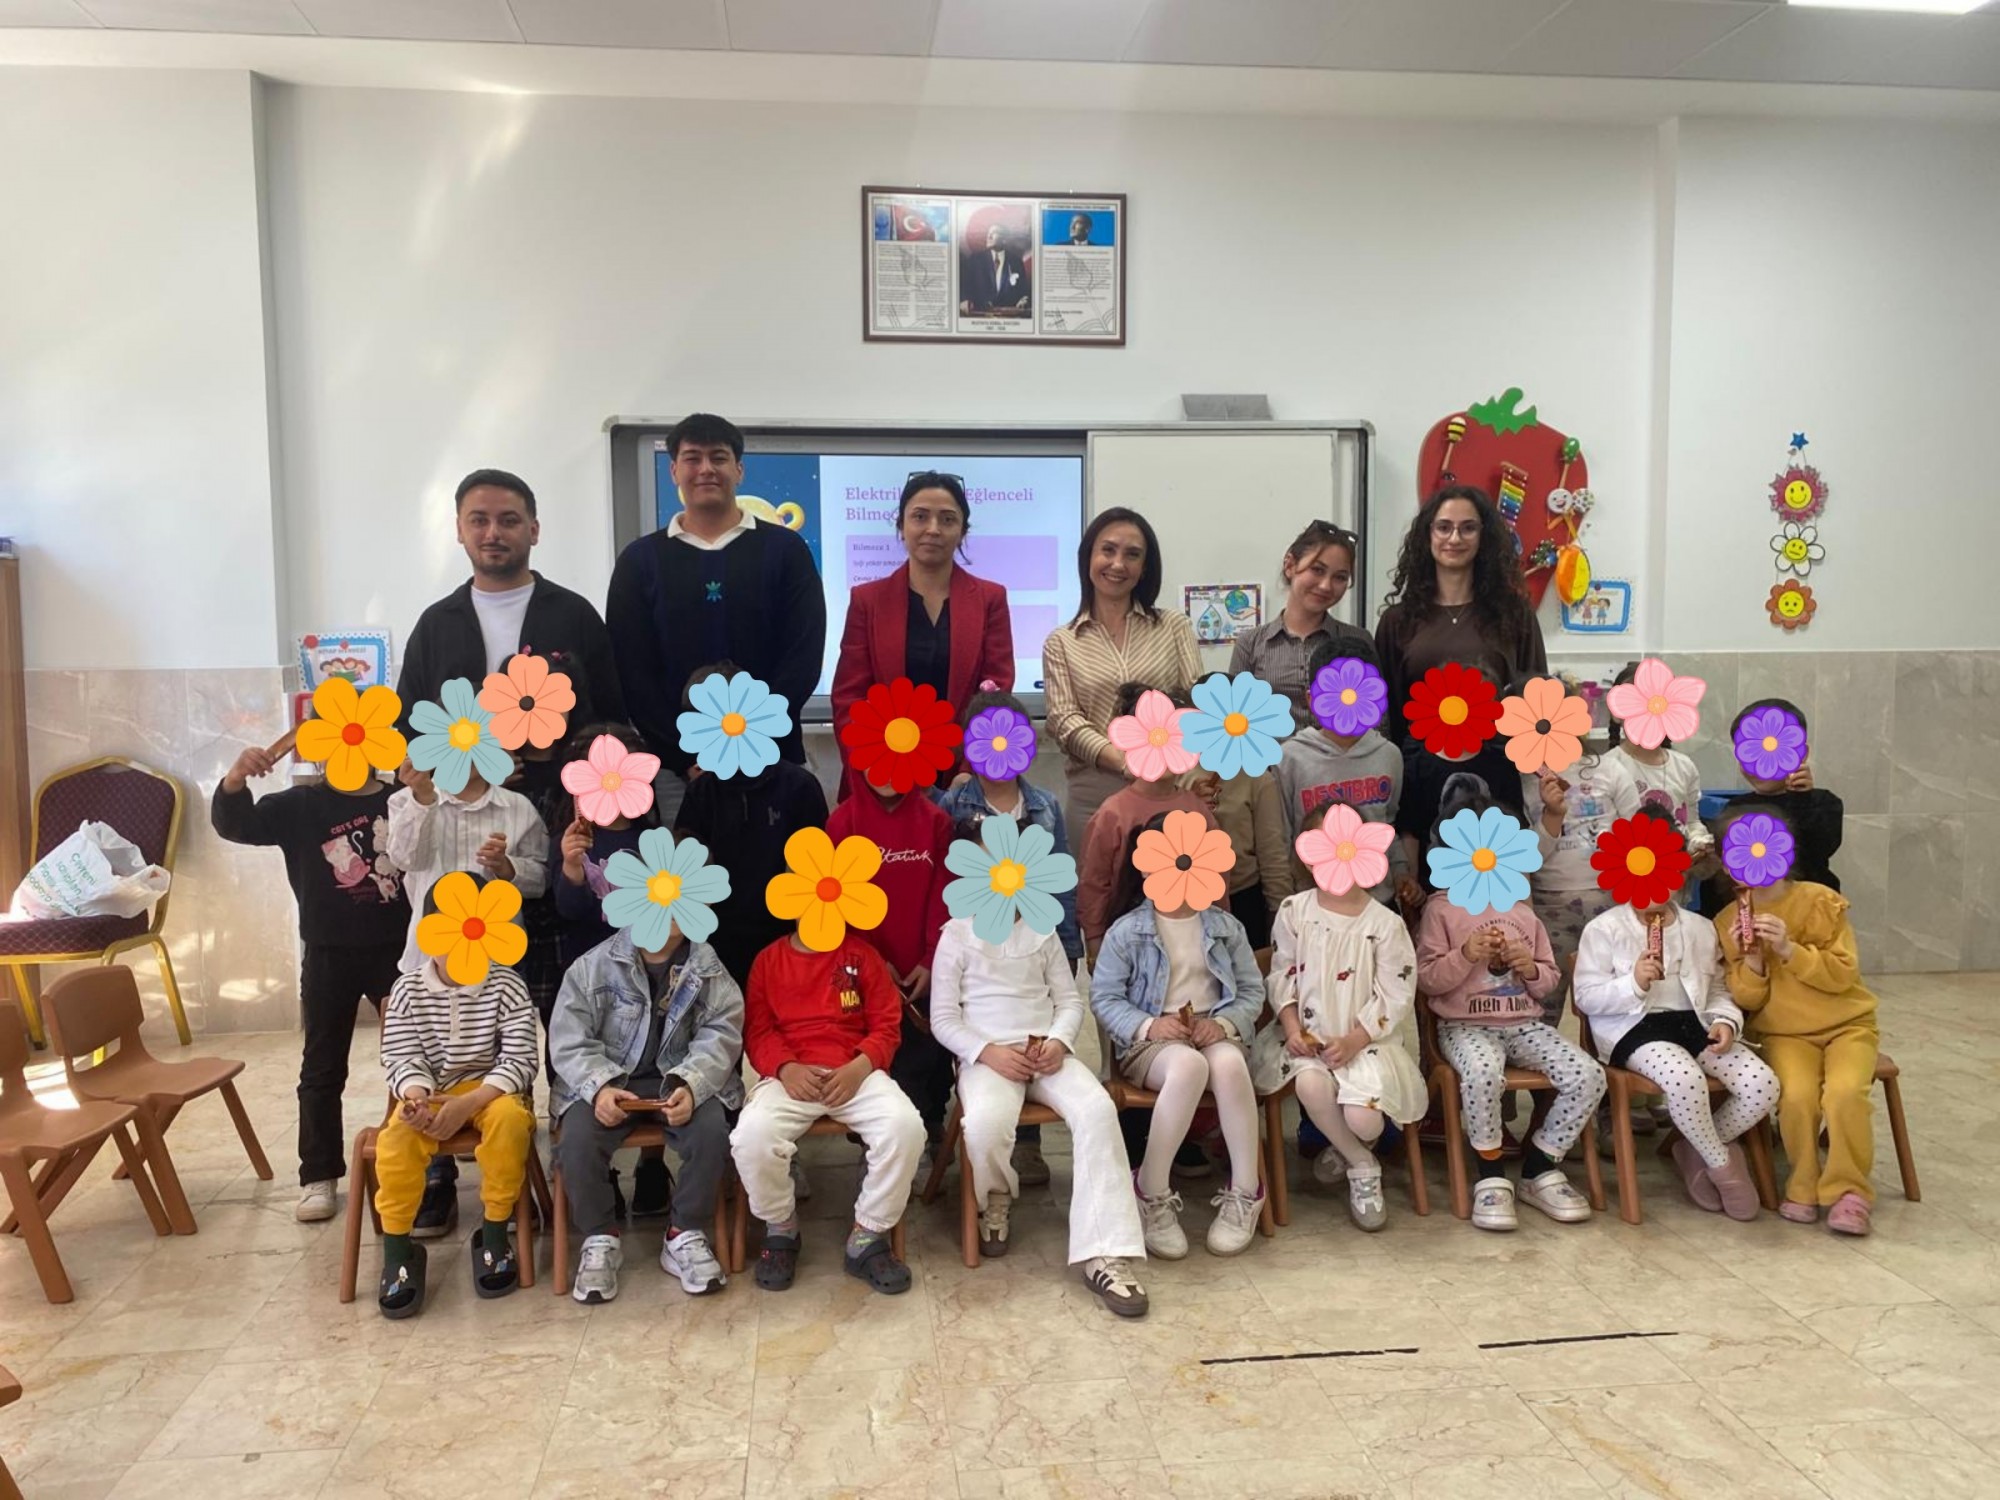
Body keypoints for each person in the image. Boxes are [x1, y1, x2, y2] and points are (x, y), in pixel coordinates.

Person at [396, 467, 624, 1031]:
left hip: (563, 810)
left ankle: (571, 1078)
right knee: (484, 984)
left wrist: (564, 769)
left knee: (566, 979)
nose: (493, 533)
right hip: (473, 822)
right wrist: (475, 766)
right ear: (459, 530)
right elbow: (413, 726)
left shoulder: (573, 614)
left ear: (534, 529)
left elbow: (609, 717)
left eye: (508, 520)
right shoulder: (436, 625)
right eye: (479, 520)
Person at [928, 868, 1150, 1317]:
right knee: (985, 1124)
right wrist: (986, 1052)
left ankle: (1106, 1251)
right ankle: (996, 1195)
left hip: (1045, 1054)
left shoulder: (1042, 929)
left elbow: (1069, 1001)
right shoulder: (956, 935)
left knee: (1097, 1110)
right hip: (989, 1059)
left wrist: (1058, 1042)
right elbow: (944, 1018)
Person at [211, 737, 408, 1224]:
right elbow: (236, 824)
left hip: (399, 953)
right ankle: (318, 1175)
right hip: (327, 954)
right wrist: (235, 779)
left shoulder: (401, 799)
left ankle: (420, 1158)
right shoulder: (299, 804)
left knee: (414, 1059)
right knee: (322, 1067)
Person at [607, 413, 826, 820]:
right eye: (692, 458)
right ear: (674, 470)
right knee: (682, 863)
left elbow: (803, 657)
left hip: (774, 761)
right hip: (679, 772)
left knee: (781, 863)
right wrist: (687, 755)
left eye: (719, 457)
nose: (706, 469)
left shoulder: (785, 550)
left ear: (739, 470)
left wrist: (748, 741)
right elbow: (633, 673)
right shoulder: (640, 561)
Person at [383, 748, 547, 1238]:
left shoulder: (516, 807)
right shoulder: (410, 799)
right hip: (430, 960)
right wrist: (422, 797)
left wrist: (506, 868)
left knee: (505, 1060)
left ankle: (510, 1184)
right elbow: (403, 860)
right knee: (430, 1056)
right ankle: (437, 1178)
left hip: (497, 957)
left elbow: (539, 879)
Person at [1090, 815, 1267, 1259]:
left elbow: (1252, 991)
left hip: (1214, 1029)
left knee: (1229, 1064)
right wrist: (1150, 1026)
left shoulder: (1225, 927)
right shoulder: (1128, 931)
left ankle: (1246, 1190)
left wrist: (1223, 1025)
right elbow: (1104, 998)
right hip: (1152, 1040)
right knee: (1188, 1066)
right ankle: (1151, 1189)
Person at [548, 912, 742, 1304]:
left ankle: (684, 1232)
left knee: (711, 1132)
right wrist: (599, 1088)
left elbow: (721, 1034)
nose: (668, 913)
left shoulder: (708, 968)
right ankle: (600, 1236)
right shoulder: (591, 966)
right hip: (610, 1082)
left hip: (677, 1080)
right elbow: (569, 1040)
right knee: (577, 1141)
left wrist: (691, 1084)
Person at [934, 688, 1082, 1188]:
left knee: (1034, 1022)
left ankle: (1028, 1143)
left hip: (1031, 935)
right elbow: (945, 875)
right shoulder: (954, 803)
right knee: (984, 1025)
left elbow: (1060, 879)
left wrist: (1067, 943)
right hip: (975, 940)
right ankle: (979, 1124)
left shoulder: (1044, 806)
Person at [1415, 843, 1604, 1234]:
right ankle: (1491, 1174)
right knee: (1483, 1073)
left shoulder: (1522, 911)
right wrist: (1465, 955)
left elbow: (1548, 982)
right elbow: (1427, 980)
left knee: (1588, 1074)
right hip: (1464, 1025)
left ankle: (1540, 1166)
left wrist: (1530, 969)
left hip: (1524, 1025)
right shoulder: (1441, 910)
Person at [730, 923, 925, 1295]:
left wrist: (861, 1066)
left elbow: (887, 1025)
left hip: (855, 1071)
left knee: (905, 1128)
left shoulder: (863, 955)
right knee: (752, 1137)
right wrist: (785, 1068)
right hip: (791, 1075)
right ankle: (781, 1227)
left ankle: (868, 1234)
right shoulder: (769, 960)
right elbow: (758, 1031)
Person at [372, 880, 538, 1318]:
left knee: (509, 1123)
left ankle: (495, 1230)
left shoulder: (508, 986)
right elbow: (402, 1056)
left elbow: (520, 1059)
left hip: (492, 1092)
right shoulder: (408, 990)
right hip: (429, 1094)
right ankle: (398, 1248)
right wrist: (416, 1100)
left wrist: (471, 1102)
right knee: (396, 1141)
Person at [1713, 804, 1879, 1234]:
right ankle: (1803, 1184)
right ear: (1727, 864)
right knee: (1797, 1098)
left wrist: (1790, 950)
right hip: (1784, 1035)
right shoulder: (1728, 921)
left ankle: (1849, 1192)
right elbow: (1747, 999)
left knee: (1844, 1094)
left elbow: (1843, 975)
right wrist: (1753, 961)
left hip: (1848, 1026)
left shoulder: (1820, 900)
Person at [1575, 880, 1779, 1222]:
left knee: (1762, 1084)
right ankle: (1722, 1166)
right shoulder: (1604, 928)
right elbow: (1586, 997)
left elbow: (1718, 988)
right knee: (1685, 1079)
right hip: (1633, 1027)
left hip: (1695, 1022)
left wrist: (1725, 1021)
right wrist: (1633, 983)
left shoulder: (1700, 927)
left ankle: (1694, 1148)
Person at [1266, 804, 1429, 1233]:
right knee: (1309, 1083)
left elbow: (1396, 993)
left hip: (1366, 1041)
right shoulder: (1295, 911)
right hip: (1310, 1038)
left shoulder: (1385, 924)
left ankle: (1351, 1143)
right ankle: (1362, 1165)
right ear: (1308, 856)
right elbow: (1282, 975)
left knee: (1363, 1118)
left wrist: (1356, 1039)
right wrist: (1291, 1028)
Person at [830, 472, 1014, 781]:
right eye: (920, 516)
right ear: (901, 526)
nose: (933, 529)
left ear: (962, 531)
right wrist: (874, 769)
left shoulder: (990, 599)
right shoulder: (867, 600)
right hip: (884, 776)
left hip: (962, 776)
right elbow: (849, 698)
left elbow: (997, 694)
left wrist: (971, 772)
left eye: (947, 519)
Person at [672, 661, 831, 992]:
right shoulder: (701, 793)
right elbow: (687, 880)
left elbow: (817, 877)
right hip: (717, 950)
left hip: (786, 947)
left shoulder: (799, 787)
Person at [1043, 507, 1201, 836]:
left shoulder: (1175, 627)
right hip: (1093, 796)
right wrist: (1128, 763)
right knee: (1094, 873)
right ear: (1088, 557)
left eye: (1132, 555)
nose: (1118, 564)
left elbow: (1195, 701)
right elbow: (1064, 720)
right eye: (1108, 550)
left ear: (1144, 568)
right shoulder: (1061, 642)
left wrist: (1162, 765)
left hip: (1168, 790)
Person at [825, 765, 953, 1150]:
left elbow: (943, 894)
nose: (885, 770)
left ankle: (929, 1124)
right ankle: (875, 1143)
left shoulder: (936, 821)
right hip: (864, 966)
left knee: (926, 1051)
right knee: (872, 1049)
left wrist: (930, 958)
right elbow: (838, 901)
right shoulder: (842, 823)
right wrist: (871, 961)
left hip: (923, 968)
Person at [1374, 486, 1547, 748]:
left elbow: (1537, 699)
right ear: (1428, 535)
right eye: (1444, 527)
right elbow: (1387, 714)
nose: (1454, 538)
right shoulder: (1397, 621)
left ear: (1483, 536)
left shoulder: (1515, 615)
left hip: (1498, 763)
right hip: (1417, 764)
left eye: (1468, 528)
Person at [1277, 636, 1417, 909]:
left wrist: (1401, 873)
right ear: (1312, 698)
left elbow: (1388, 824)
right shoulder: (1290, 759)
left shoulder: (1389, 755)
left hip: (1378, 903)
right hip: (1314, 906)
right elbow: (1283, 837)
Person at [1075, 684, 1218, 947]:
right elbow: (1094, 883)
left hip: (1193, 937)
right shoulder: (1113, 814)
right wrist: (1094, 939)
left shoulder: (1197, 809)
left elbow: (1217, 875)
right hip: (1128, 943)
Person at [1230, 521, 1372, 733]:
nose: (1326, 585)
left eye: (1340, 577)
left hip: (1346, 755)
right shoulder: (1250, 644)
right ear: (1290, 566)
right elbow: (1235, 725)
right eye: (1317, 570)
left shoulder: (1358, 640)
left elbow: (1377, 722)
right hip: (1272, 755)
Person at [1195, 671, 1293, 950]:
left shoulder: (1257, 777)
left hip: (1243, 897)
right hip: (1189, 898)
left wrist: (1279, 913)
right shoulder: (1178, 772)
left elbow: (1272, 852)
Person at [1707, 697, 1843, 897]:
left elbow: (1816, 850)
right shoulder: (1736, 809)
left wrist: (1801, 799)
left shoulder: (1823, 803)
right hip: (1757, 905)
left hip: (1812, 904)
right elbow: (1725, 871)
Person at [1604, 660, 1715, 902]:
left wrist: (1699, 842)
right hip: (1626, 892)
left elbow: (1692, 822)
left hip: (1675, 890)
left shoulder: (1683, 766)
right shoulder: (1608, 768)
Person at [959, 221, 1030, 315]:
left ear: (1005, 239)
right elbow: (965, 287)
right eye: (988, 233)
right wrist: (964, 300)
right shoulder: (975, 260)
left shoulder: (1016, 262)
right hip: (980, 315)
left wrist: (1024, 300)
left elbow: (1023, 291)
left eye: (994, 233)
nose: (989, 236)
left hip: (1008, 316)